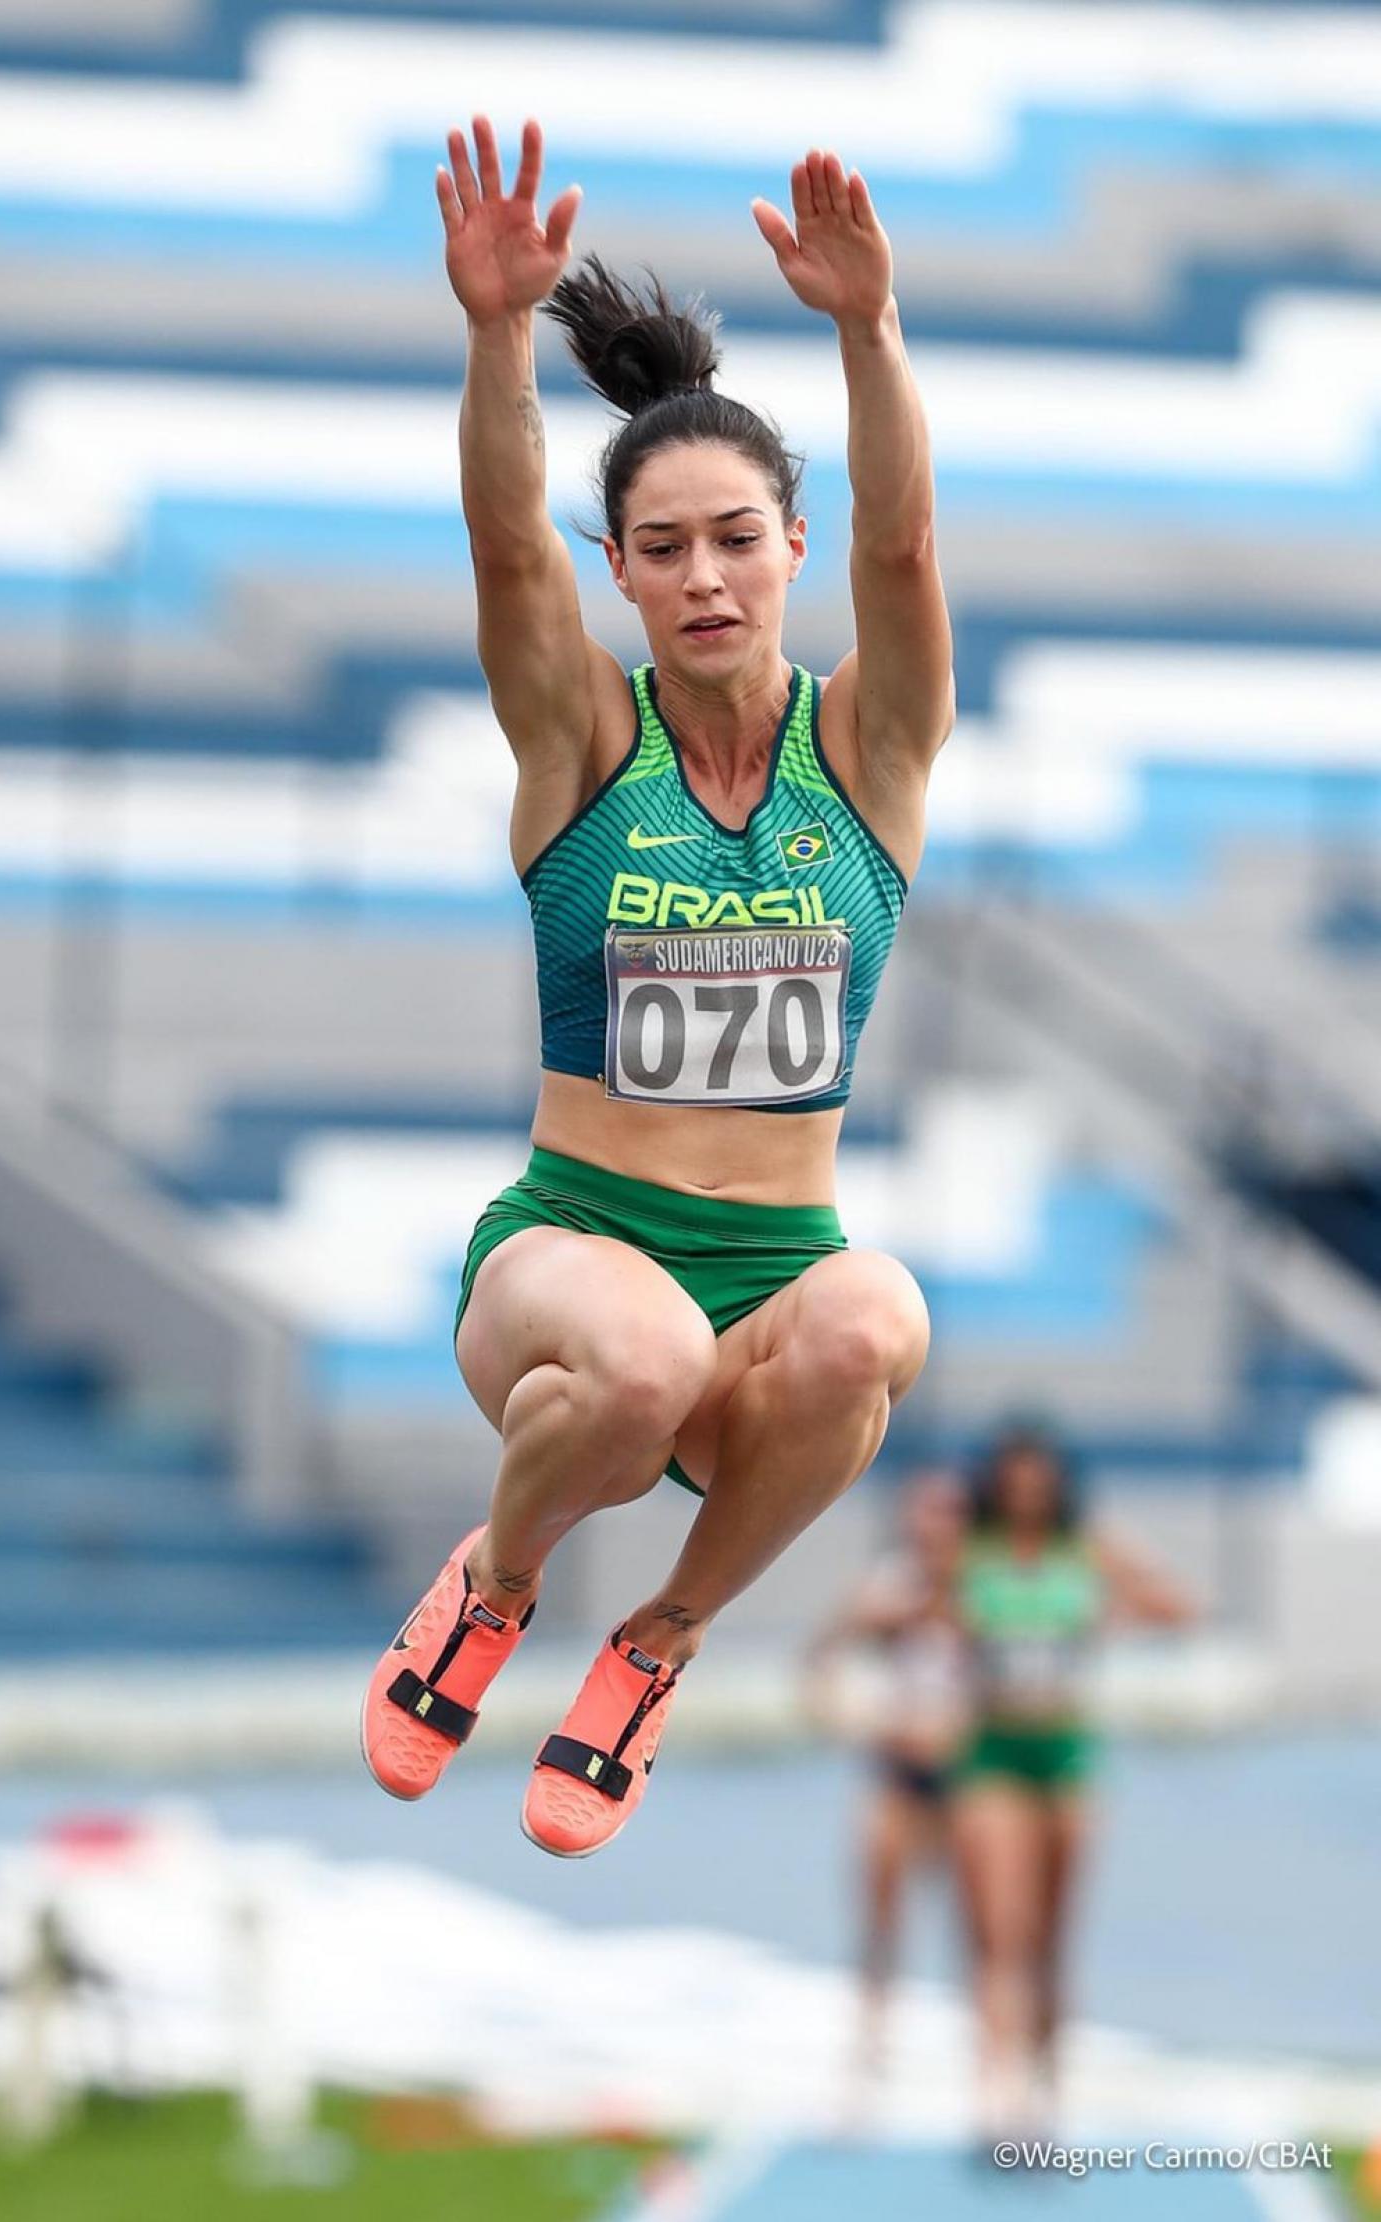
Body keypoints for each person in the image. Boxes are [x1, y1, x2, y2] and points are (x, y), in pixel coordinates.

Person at [360, 115, 954, 1859]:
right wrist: (492, 332)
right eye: (666, 547)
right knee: (639, 1355)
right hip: (570, 1259)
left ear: (789, 550)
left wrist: (870, 329)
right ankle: (496, 1581)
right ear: (620, 571)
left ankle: (661, 1636)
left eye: (739, 539)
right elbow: (498, 557)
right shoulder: (582, 741)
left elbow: (909, 554)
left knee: (880, 1316)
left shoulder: (871, 754)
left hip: (772, 1281)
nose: (705, 576)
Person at [950, 1424, 1195, 2133]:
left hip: (1066, 1755)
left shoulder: (1085, 1549)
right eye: (1014, 1480)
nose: (1026, 1494)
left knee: (1052, 1931)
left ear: (1057, 1485)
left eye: (1039, 1481)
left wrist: (1116, 1607)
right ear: (996, 1484)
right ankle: (995, 2088)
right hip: (992, 1752)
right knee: (998, 1927)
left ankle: (1048, 2079)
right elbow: (915, 1625)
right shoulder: (971, 1553)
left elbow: (1178, 1604)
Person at [804, 1469, 972, 2075]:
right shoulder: (890, 1588)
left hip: (972, 1775)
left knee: (986, 1916)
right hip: (899, 1771)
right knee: (880, 1911)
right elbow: (822, 1659)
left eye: (950, 1513)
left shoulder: (989, 1589)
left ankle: (986, 2035)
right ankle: (873, 2038)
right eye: (928, 1513)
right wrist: (865, 1723)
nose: (938, 1527)